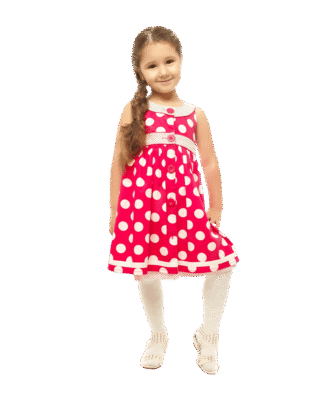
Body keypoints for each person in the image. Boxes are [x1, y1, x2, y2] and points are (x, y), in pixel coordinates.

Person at [107, 25, 240, 375]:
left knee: (222, 263)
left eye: (169, 61)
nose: (163, 71)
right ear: (140, 71)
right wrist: (115, 210)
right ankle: (157, 335)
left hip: (185, 208)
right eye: (152, 65)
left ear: (181, 61)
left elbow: (209, 163)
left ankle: (208, 334)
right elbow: (119, 162)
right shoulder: (134, 110)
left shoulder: (195, 114)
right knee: (147, 270)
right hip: (142, 209)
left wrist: (216, 206)